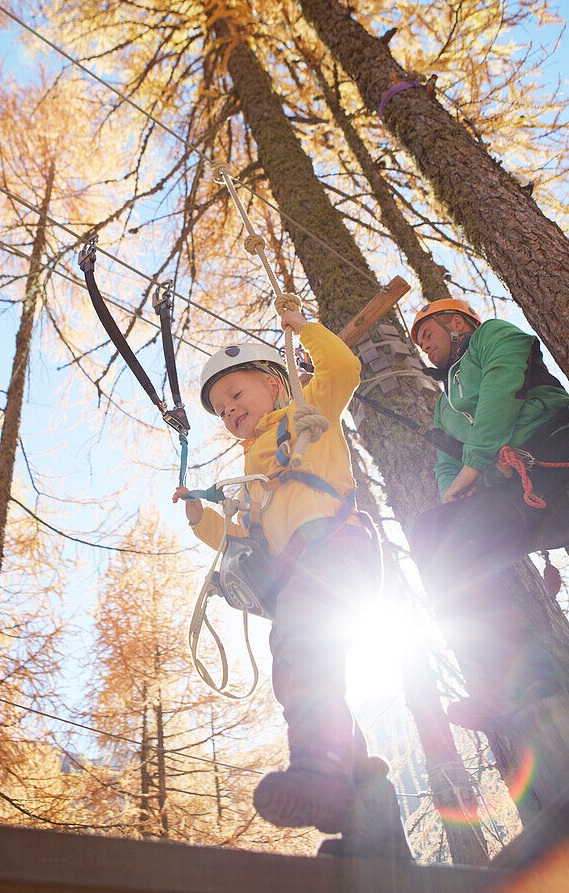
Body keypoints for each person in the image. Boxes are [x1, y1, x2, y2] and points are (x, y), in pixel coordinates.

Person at [174, 310, 410, 858]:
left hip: (336, 548)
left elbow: (345, 368)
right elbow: (246, 544)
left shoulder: (308, 411)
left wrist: (302, 328)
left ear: (277, 382)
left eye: (237, 393)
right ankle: (372, 835)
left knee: (300, 647)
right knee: (309, 671)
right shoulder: (253, 474)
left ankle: (320, 775)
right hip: (303, 569)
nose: (231, 410)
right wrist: (201, 520)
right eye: (222, 409)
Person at [410, 299, 569, 728]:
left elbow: (503, 385)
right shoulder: (445, 408)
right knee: (433, 533)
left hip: (557, 449)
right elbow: (448, 468)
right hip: (517, 494)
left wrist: (474, 464)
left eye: (427, 334)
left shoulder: (494, 336)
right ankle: (522, 680)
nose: (423, 346)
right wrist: (454, 492)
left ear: (457, 323)